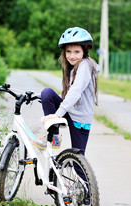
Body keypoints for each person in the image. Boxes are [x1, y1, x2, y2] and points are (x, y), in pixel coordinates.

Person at [41, 27, 101, 155]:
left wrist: (58, 114)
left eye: (76, 52)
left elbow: (76, 90)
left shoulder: (85, 65)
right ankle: (54, 136)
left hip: (80, 119)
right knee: (47, 94)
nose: (72, 56)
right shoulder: (72, 67)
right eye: (68, 51)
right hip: (70, 111)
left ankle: (70, 165)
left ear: (85, 50)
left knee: (78, 163)